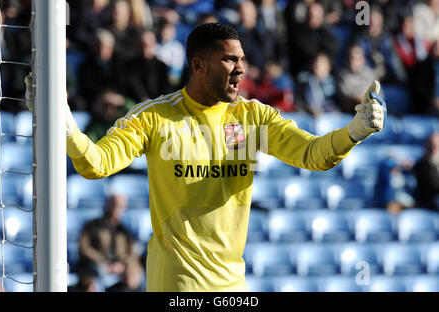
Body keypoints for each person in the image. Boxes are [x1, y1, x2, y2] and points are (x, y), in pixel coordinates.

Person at [25, 23, 385, 292]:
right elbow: (96, 164)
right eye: (230, 60)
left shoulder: (254, 117)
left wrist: (354, 131)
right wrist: (67, 128)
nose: (241, 69)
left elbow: (313, 154)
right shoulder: (154, 116)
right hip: (177, 287)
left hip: (234, 287)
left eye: (242, 60)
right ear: (199, 65)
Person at [77, 194, 139, 279]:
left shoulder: (124, 230)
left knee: (134, 272)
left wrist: (121, 264)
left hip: (120, 265)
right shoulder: (91, 226)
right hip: (98, 264)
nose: (117, 209)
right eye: (114, 204)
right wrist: (104, 263)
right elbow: (84, 249)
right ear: (107, 205)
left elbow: (132, 253)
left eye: (121, 207)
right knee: (100, 270)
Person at [414, 133, 439, 210]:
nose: (433, 149)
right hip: (430, 198)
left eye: (436, 146)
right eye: (431, 145)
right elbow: (432, 185)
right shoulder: (422, 164)